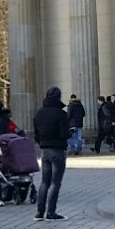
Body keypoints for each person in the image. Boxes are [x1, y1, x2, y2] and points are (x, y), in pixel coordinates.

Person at [31, 88, 70, 221]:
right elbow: (64, 134)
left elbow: (36, 134)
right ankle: (51, 213)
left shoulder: (39, 113)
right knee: (55, 182)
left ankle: (39, 212)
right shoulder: (61, 114)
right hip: (57, 150)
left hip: (44, 150)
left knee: (44, 182)